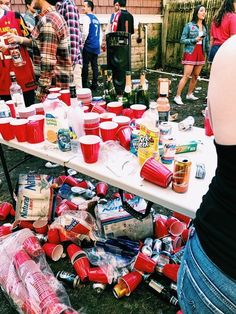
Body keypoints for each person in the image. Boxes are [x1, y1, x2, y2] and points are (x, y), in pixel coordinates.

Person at [177, 35, 236, 313]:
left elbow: (215, 129)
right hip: (219, 266)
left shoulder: (231, 52)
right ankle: (180, 93)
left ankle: (184, 94)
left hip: (215, 261)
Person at [6, 0, 73, 102]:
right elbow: (41, 44)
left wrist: (41, 92)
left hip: (54, 90)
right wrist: (19, 39)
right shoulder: (53, 16)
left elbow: (48, 62)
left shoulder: (48, 22)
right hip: (58, 86)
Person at [174, 5, 209, 106]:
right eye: (202, 11)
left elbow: (206, 43)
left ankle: (189, 94)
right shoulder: (189, 25)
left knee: (196, 75)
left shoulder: (205, 27)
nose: (204, 13)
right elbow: (182, 40)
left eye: (205, 11)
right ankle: (177, 96)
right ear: (196, 12)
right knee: (186, 75)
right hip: (191, 52)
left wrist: (209, 54)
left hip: (200, 52)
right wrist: (194, 40)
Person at [0, 6, 35, 106]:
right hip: (2, 81)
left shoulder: (16, 17)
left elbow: (33, 42)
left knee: (29, 113)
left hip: (23, 77)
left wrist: (19, 39)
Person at [56, 0, 83, 89]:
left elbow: (73, 37)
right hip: (63, 64)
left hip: (71, 65)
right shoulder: (58, 6)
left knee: (76, 98)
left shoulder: (68, 6)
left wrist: (69, 63)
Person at [81, 0, 102, 90]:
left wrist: (82, 43)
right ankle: (95, 84)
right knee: (95, 66)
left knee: (85, 65)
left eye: (84, 6)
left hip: (88, 45)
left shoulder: (86, 17)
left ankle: (84, 85)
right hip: (96, 46)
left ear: (89, 7)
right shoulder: (96, 19)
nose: (82, 8)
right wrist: (99, 44)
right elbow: (101, 34)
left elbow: (85, 32)